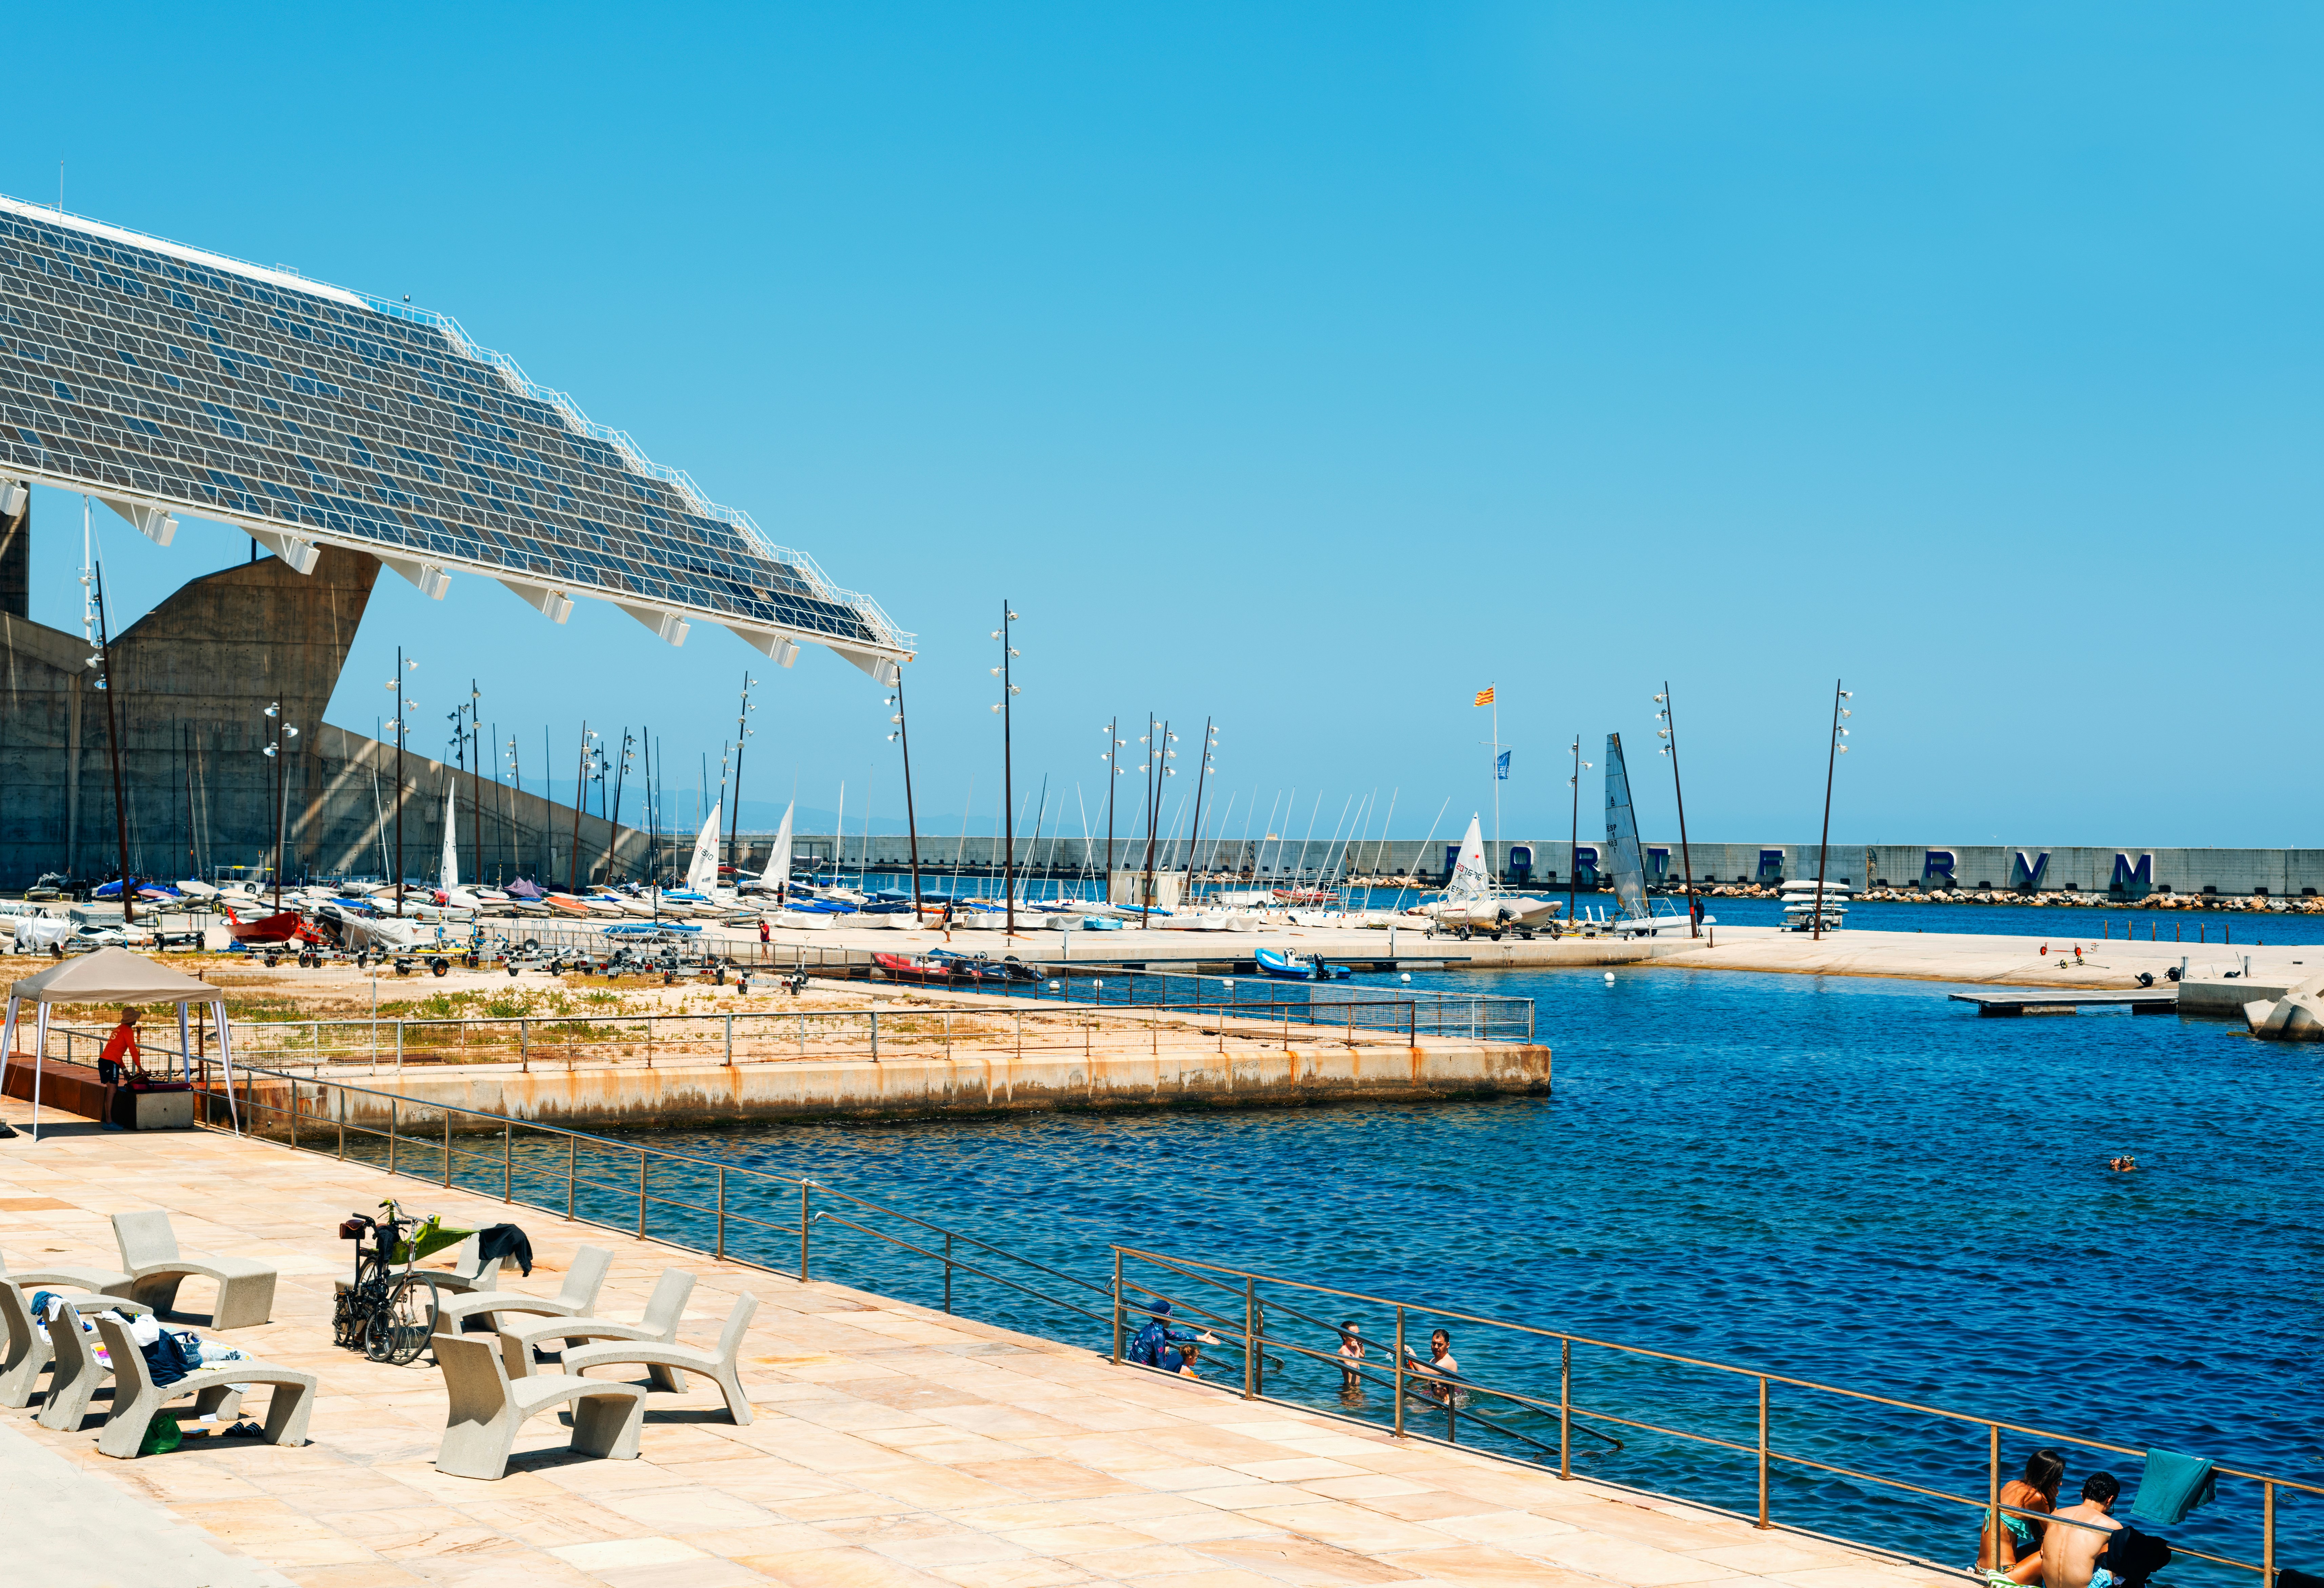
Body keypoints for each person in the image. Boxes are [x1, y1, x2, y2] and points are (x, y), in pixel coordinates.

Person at [1979, 1448, 2065, 1579]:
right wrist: (2053, 1501)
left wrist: (2042, 1540)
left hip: (1981, 1569)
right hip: (2003, 1573)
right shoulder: (2036, 1497)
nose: (2061, 1483)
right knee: (2059, 1552)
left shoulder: (2012, 1484)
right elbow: (2056, 1535)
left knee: (2042, 1546)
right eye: (2058, 1478)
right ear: (2048, 1477)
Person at [2043, 1473, 2124, 1588]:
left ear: (2082, 1493)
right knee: (2120, 1555)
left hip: (2048, 1586)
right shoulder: (2112, 1525)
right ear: (2110, 1499)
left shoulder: (2056, 1515)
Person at [1125, 1300, 1216, 1368]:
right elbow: (1161, 1366)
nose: (1173, 1319)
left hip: (1134, 1367)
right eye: (1172, 1316)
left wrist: (1203, 1338)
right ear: (1166, 1317)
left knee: (1171, 1352)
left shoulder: (1151, 1328)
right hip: (1142, 1371)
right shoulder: (1159, 1336)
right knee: (1178, 1358)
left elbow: (1177, 1336)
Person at [97, 1006, 144, 1132]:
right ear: (132, 1020)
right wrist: (140, 1067)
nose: (136, 1021)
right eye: (135, 1019)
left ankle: (109, 1120)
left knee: (112, 1090)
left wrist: (124, 1069)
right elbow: (133, 1050)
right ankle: (109, 1122)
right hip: (110, 1063)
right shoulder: (128, 1031)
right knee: (112, 1091)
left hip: (106, 1062)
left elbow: (116, 1052)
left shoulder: (119, 1029)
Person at [1336, 1321, 1366, 1390]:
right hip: (1349, 1389)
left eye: (1358, 1334)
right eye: (1353, 1334)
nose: (1357, 1337)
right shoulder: (1344, 1351)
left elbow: (1362, 1356)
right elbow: (1352, 1370)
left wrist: (1360, 1344)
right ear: (1345, 1337)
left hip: (1356, 1388)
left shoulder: (1352, 1348)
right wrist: (1358, 1351)